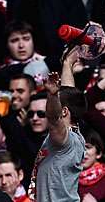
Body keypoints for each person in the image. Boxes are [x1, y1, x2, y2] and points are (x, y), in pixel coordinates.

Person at [31, 71, 86, 201]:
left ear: (64, 111)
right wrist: (67, 64)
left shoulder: (66, 140)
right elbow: (70, 95)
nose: (46, 110)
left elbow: (54, 118)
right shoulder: (76, 134)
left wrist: (53, 95)